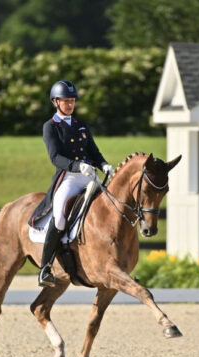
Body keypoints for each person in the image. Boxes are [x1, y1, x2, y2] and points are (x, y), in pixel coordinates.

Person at [28, 80, 115, 287]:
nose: (70, 104)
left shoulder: (81, 124)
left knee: (110, 208)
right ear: (56, 102)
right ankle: (45, 268)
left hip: (89, 176)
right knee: (59, 219)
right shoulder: (50, 127)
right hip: (68, 178)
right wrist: (77, 166)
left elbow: (93, 151)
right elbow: (55, 157)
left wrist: (104, 165)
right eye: (66, 101)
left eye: (72, 100)